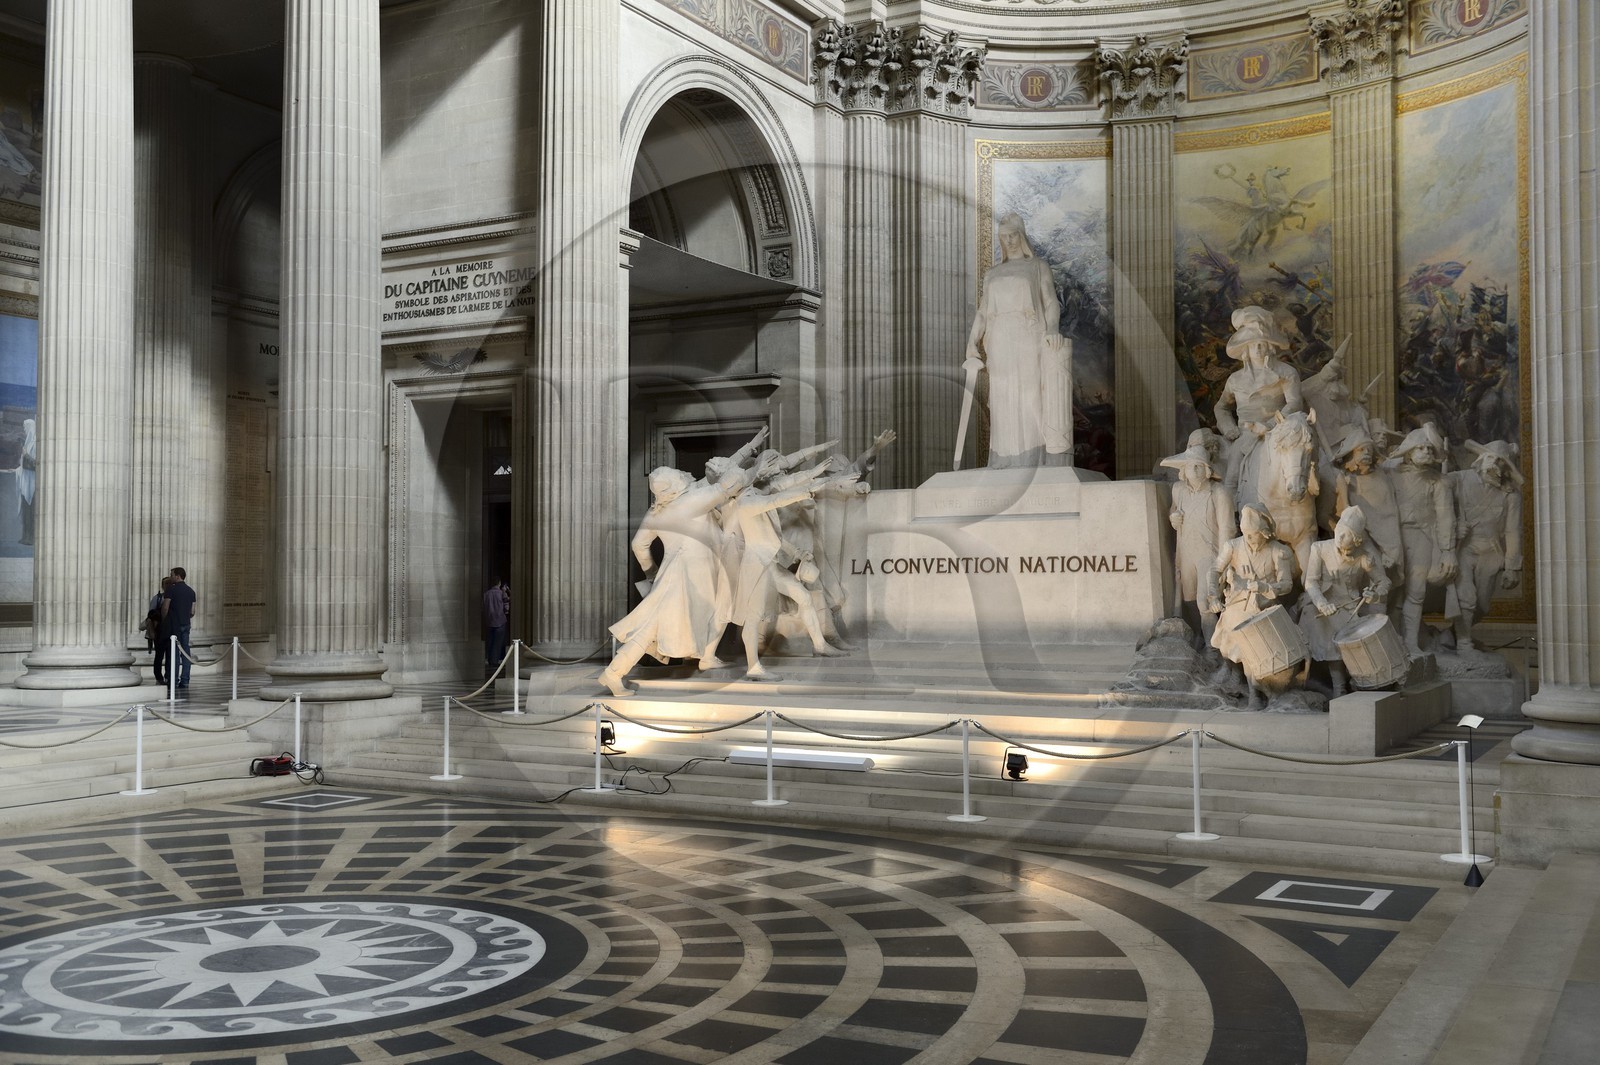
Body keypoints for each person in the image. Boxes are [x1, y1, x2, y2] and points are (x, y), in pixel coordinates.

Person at [599, 467, 737, 697]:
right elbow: (729, 483)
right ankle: (613, 673)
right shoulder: (692, 500)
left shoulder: (657, 511)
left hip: (672, 573)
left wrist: (652, 573)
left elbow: (638, 545)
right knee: (657, 625)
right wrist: (752, 459)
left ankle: (615, 672)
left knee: (656, 624)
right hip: (693, 575)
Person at [964, 213, 1073, 468]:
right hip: (999, 338)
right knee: (1002, 398)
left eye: (1013, 235)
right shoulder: (992, 273)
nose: (1009, 241)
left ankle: (1033, 457)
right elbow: (983, 312)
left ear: (1021, 235)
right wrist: (972, 342)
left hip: (1028, 335)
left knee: (1030, 395)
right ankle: (1004, 458)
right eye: (1004, 237)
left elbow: (1050, 302)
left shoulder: (1037, 266)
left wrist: (1053, 328)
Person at [1206, 504, 1298, 710]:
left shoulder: (1278, 551)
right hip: (1238, 604)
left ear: (1264, 533)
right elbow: (1214, 570)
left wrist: (1265, 587)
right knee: (1241, 632)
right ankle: (1254, 691)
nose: (1248, 538)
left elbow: (1287, 584)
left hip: (1265, 606)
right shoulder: (1233, 546)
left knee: (1257, 636)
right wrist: (1213, 596)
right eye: (1245, 533)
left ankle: (1264, 690)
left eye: (1253, 534)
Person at [1299, 506, 1391, 697]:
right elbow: (1311, 582)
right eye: (1339, 531)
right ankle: (1337, 686)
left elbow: (1383, 581)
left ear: (1357, 540)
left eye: (1346, 535)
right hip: (1320, 604)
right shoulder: (1319, 549)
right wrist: (1322, 603)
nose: (1340, 538)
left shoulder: (1363, 556)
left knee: (1350, 631)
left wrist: (1374, 594)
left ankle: (1358, 682)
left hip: (1348, 606)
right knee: (1327, 628)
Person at [1213, 306, 1304, 493]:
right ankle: (1232, 503)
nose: (1258, 348)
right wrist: (1229, 428)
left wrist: (1271, 424)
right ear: (1245, 347)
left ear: (1270, 345)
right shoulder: (1235, 379)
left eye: (1262, 343)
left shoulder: (1286, 373)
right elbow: (1221, 407)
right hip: (1245, 434)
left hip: (1278, 432)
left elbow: (1295, 403)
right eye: (1253, 343)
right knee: (1232, 473)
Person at [1386, 423, 1458, 652]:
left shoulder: (1439, 482)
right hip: (1392, 537)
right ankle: (1391, 640)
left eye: (1429, 449)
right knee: (1391, 590)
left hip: (1422, 537)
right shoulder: (1389, 474)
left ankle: (1410, 643)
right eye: (1421, 448)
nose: (1426, 451)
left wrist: (1447, 551)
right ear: (1408, 452)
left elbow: (1446, 518)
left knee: (1416, 592)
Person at [1447, 439, 1523, 652]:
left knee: (1482, 605)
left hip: (1491, 551)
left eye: (1501, 462)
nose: (1495, 465)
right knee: (1466, 597)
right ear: (1481, 460)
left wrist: (1512, 567)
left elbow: (1513, 531)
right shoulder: (1460, 479)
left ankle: (1452, 634)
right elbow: (1436, 495)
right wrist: (1455, 526)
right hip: (1464, 548)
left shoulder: (1511, 495)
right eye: (1492, 459)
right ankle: (1464, 643)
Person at [1160, 443, 1235, 650]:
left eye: (1199, 466)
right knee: (1190, 598)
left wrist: (1223, 562)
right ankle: (1201, 637)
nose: (1194, 470)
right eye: (1190, 466)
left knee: (1205, 600)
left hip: (1210, 554)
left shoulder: (1219, 493)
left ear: (1208, 470)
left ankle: (1212, 649)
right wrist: (1173, 518)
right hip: (1187, 553)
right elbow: (1173, 510)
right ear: (1183, 470)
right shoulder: (1178, 490)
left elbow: (1227, 529)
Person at [160, 566, 197, 689]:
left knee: (174, 653)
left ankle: (174, 680)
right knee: (185, 652)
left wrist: (164, 620)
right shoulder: (191, 591)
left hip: (173, 625)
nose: (170, 577)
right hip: (186, 624)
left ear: (177, 576)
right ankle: (185, 680)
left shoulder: (171, 589)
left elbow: (165, 607)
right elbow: (192, 611)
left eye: (172, 575)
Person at [148, 575, 173, 685]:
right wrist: (152, 631)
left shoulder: (174, 597)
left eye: (170, 583)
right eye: (166, 584)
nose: (168, 586)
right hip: (159, 631)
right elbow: (150, 616)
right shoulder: (157, 598)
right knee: (159, 655)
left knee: (170, 655)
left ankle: (169, 675)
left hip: (171, 630)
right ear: (162, 586)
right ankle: (158, 676)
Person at [482, 577, 510, 670]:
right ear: (499, 583)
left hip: (489, 621)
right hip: (500, 621)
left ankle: (490, 659)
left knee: (490, 641)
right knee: (498, 643)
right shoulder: (502, 593)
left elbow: (484, 607)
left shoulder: (486, 594)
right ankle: (495, 661)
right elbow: (507, 606)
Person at [14, 417, 34, 546]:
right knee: (26, 511)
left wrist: (25, 455)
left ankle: (30, 538)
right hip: (26, 483)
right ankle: (26, 536)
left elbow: (35, 464)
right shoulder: (28, 443)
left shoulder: (34, 444)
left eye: (25, 427)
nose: (24, 430)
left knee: (31, 512)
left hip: (32, 484)